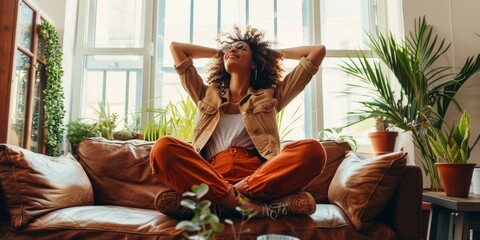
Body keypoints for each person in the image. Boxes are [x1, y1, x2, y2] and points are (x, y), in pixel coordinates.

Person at [150, 25, 327, 219]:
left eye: (242, 48)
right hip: (211, 176)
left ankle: (220, 203)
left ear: (254, 63)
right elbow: (177, 49)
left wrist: (267, 55)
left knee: (313, 150)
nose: (232, 50)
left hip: (257, 178)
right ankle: (252, 207)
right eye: (229, 49)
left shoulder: (271, 95)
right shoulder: (205, 94)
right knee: (163, 147)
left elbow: (317, 52)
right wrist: (221, 53)